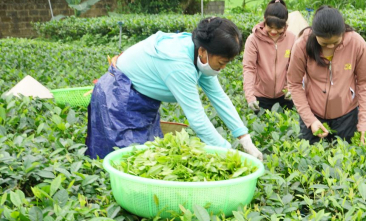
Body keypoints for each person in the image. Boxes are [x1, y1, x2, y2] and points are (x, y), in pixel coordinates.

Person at [86, 17, 263, 160]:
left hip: (142, 100)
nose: (222, 68)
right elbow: (197, 118)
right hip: (119, 96)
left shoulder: (199, 56)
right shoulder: (179, 64)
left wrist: (244, 138)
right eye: (222, 62)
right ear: (203, 51)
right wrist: (230, 154)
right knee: (126, 160)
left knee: (146, 157)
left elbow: (219, 97)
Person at [287, 6, 366, 144]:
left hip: (347, 116)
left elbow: (365, 83)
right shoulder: (302, 44)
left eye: (335, 42)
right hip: (312, 113)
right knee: (312, 158)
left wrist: (364, 122)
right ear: (315, 35)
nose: (330, 47)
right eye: (324, 43)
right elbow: (294, 83)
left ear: (343, 32)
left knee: (345, 159)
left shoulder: (357, 44)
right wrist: (310, 120)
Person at [243, 0, 297, 112]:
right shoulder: (253, 40)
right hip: (260, 97)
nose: (273, 31)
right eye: (270, 26)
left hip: (285, 97)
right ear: (264, 20)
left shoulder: (292, 39)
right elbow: (249, 69)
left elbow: (295, 67)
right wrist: (250, 97)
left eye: (278, 28)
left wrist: (292, 88)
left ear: (285, 24)